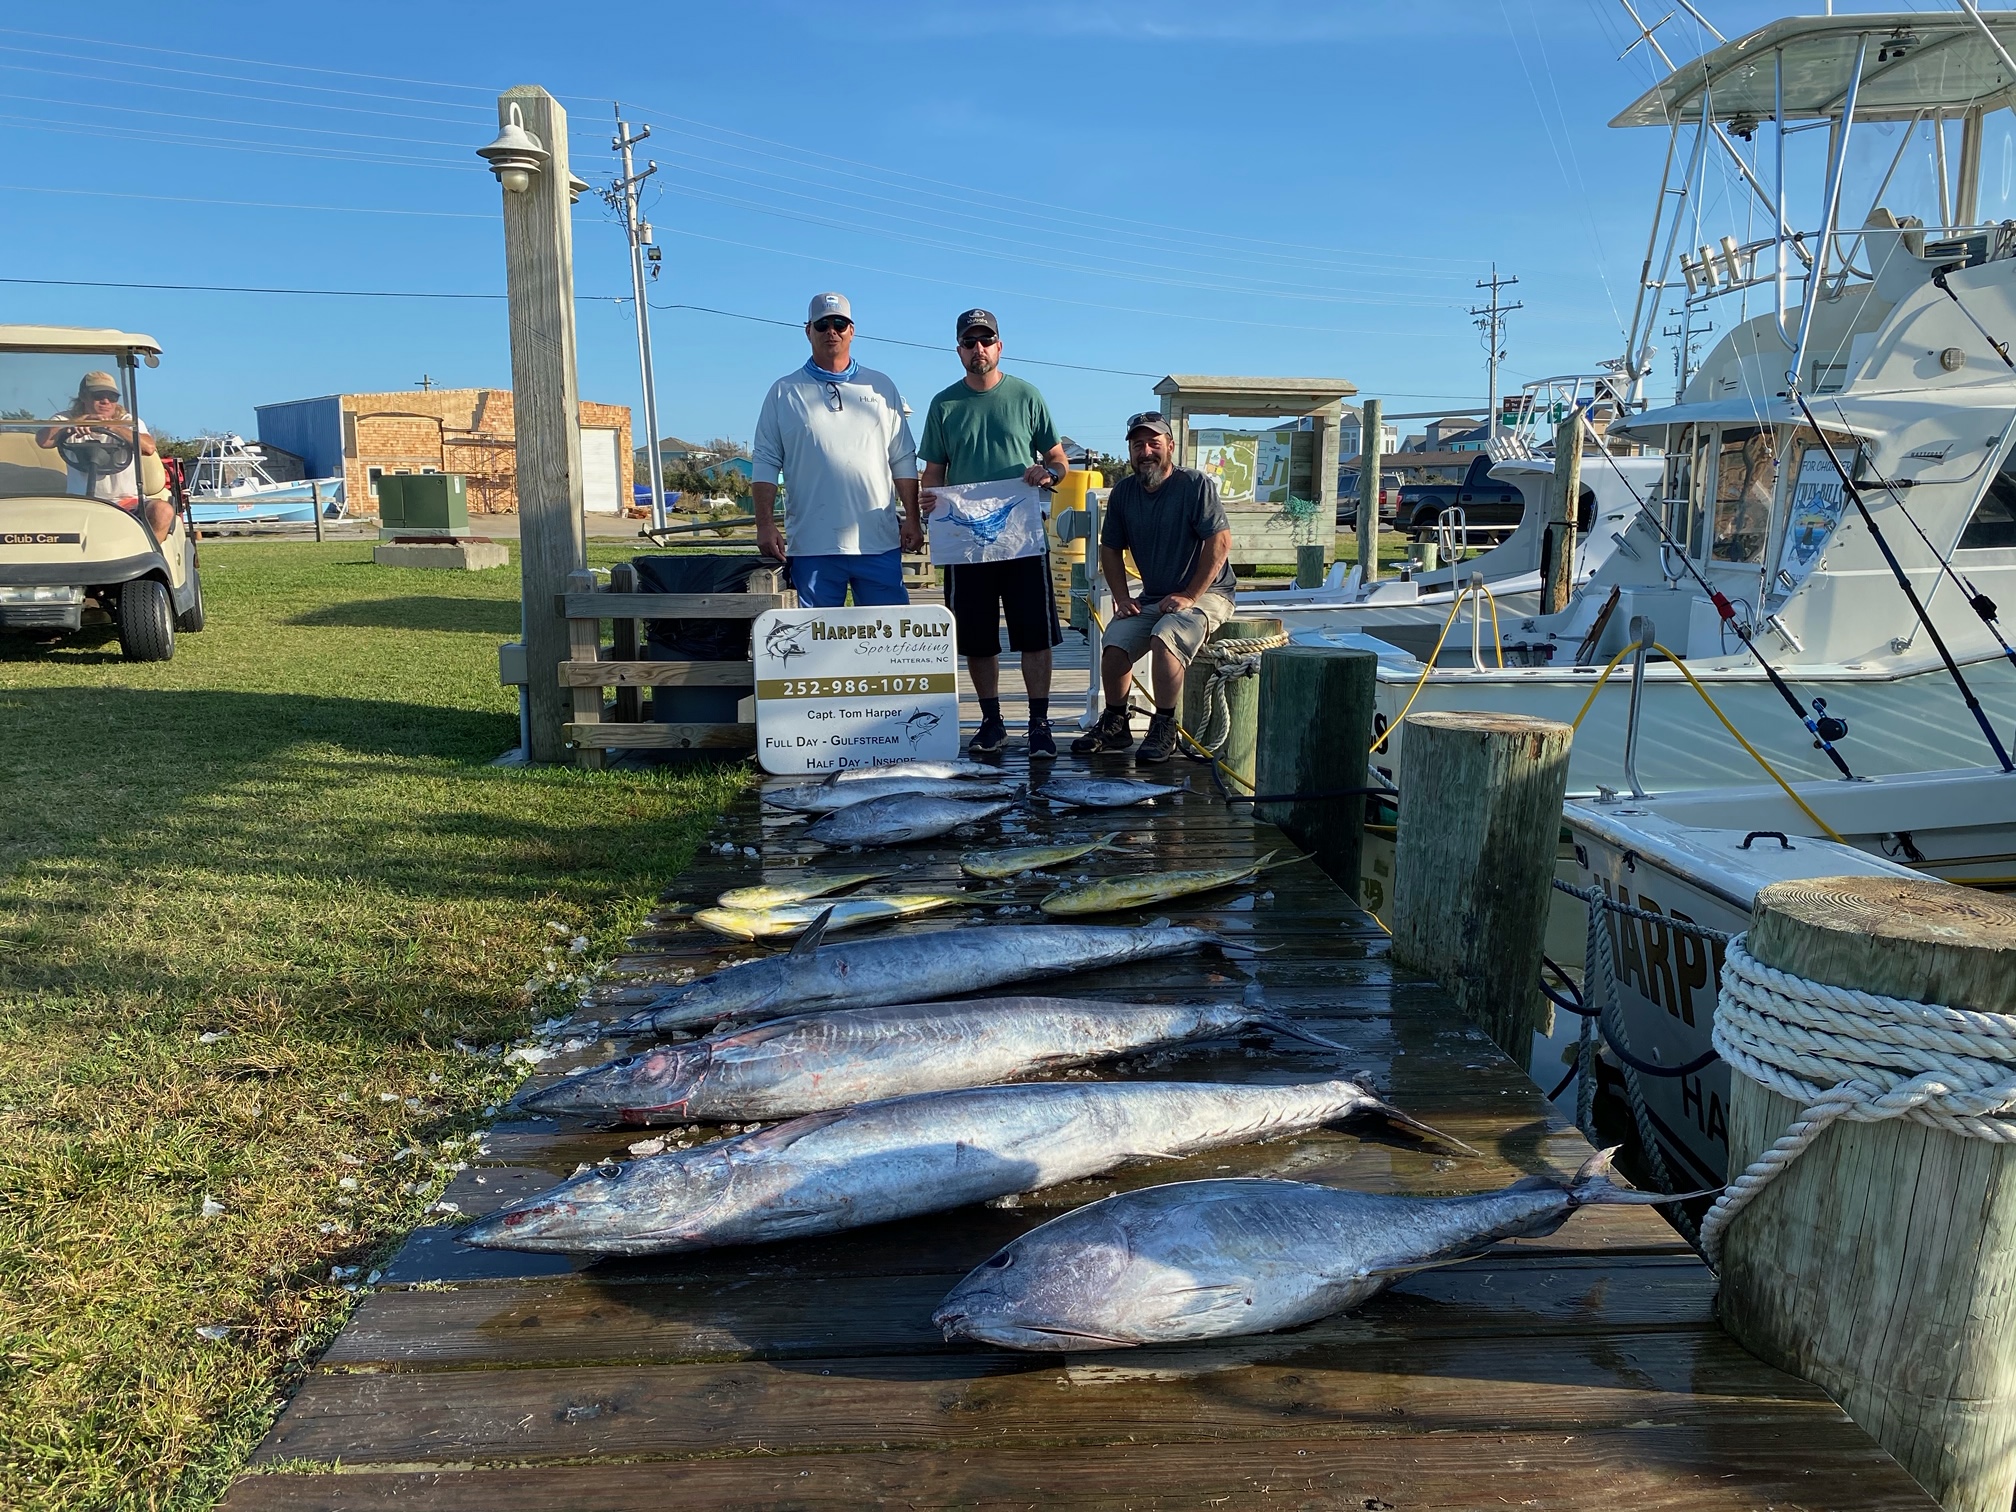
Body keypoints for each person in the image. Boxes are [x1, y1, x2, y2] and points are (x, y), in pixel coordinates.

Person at [918, 308, 1071, 758]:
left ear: (999, 346)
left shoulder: (1027, 395)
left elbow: (1059, 458)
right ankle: (991, 720)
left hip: (1021, 536)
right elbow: (933, 472)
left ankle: (1039, 723)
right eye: (970, 342)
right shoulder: (943, 405)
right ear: (959, 350)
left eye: (986, 340)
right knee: (977, 637)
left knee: (1035, 634)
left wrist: (1049, 473)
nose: (978, 349)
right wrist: (929, 502)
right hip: (966, 544)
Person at [1072, 411, 1235, 763]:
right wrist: (1120, 597)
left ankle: (1164, 725)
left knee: (1166, 636)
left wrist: (1190, 595)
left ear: (1170, 447)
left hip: (1209, 594)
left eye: (1153, 443)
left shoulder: (1195, 485)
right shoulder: (1123, 493)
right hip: (1154, 596)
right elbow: (1109, 548)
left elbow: (1220, 542)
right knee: (1114, 643)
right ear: (1129, 450)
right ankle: (1116, 721)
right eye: (1138, 444)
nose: (1146, 451)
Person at [750, 292, 923, 608]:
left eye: (840, 324)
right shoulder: (783, 392)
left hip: (877, 544)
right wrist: (764, 524)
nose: (832, 331)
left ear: (852, 331)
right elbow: (764, 462)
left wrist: (913, 517)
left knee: (888, 643)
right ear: (808, 331)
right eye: (823, 324)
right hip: (812, 547)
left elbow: (902, 458)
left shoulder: (881, 386)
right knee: (816, 648)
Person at [36, 371, 171, 539]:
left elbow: (148, 447)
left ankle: (152, 558)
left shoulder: (127, 420)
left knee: (163, 511)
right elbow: (43, 441)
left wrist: (113, 427)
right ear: (83, 397)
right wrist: (77, 423)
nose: (106, 401)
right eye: (98, 395)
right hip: (79, 503)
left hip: (126, 502)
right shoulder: (66, 419)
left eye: (112, 397)